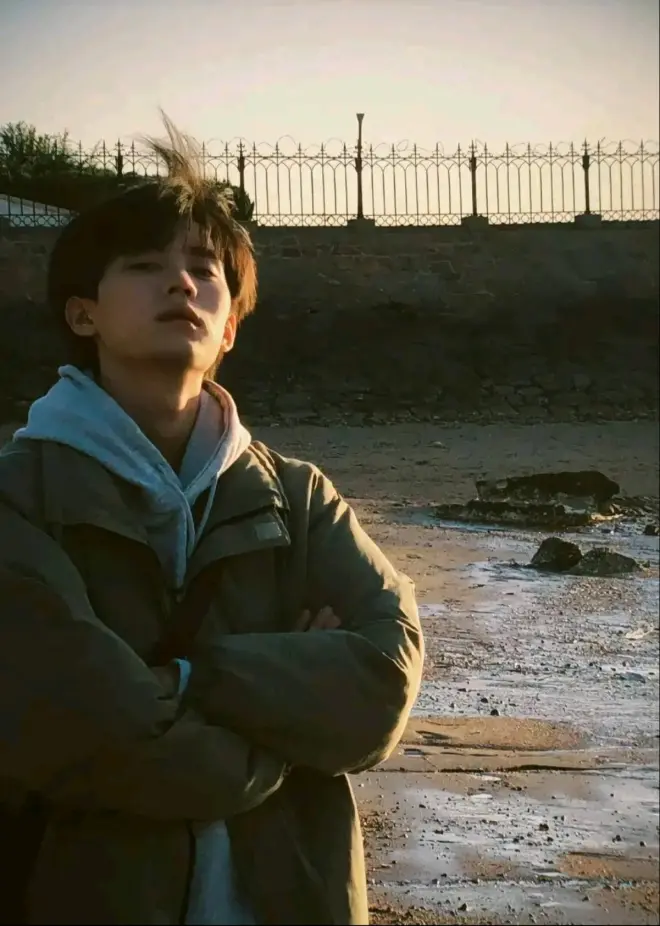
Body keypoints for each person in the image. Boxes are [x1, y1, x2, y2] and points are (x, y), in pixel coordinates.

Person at [0, 117, 423, 926]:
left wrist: (183, 680)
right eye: (145, 266)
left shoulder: (299, 497)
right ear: (83, 314)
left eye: (203, 269)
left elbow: (382, 682)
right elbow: (85, 729)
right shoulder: (19, 498)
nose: (181, 285)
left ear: (230, 325)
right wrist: (285, 708)